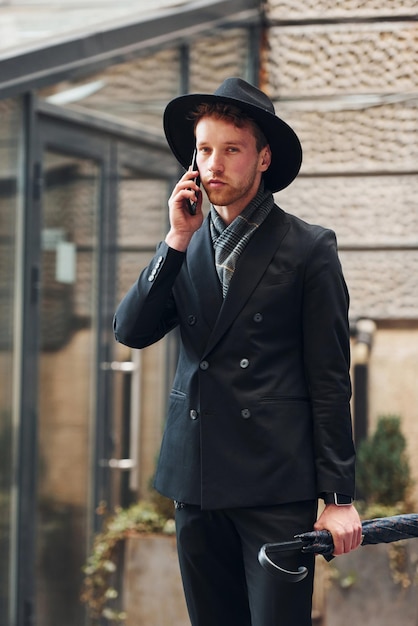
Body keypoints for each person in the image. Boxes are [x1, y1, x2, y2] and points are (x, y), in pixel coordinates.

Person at [113, 77, 362, 626]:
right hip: (194, 481)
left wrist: (338, 496)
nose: (214, 164)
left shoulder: (308, 248)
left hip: (273, 487)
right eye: (204, 150)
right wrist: (174, 240)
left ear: (263, 157)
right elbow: (130, 330)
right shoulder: (186, 242)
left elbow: (329, 379)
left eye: (231, 149)